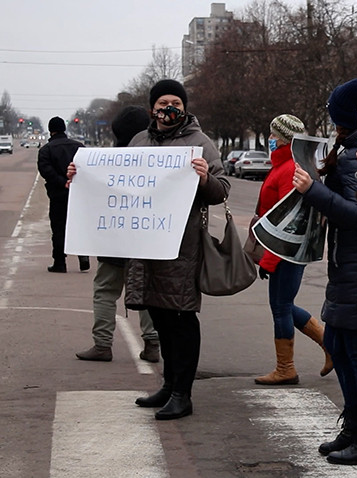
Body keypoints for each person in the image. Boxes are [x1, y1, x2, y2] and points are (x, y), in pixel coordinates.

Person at [292, 78, 357, 466]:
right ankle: (354, 427)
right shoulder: (352, 150)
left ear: (343, 116)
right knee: (337, 344)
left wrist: (313, 190)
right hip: (350, 267)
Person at [125, 79, 230, 420]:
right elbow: (117, 183)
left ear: (184, 108)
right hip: (147, 246)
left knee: (181, 318)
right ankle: (169, 386)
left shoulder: (200, 143)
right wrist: (80, 175)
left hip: (181, 247)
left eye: (176, 103)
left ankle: (182, 394)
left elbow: (221, 190)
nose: (169, 109)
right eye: (163, 103)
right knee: (160, 316)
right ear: (152, 108)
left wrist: (205, 178)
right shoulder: (139, 142)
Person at [72, 105, 159, 363]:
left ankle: (102, 344)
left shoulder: (105, 162)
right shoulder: (159, 160)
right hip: (146, 238)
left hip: (113, 239)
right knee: (145, 290)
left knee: (105, 290)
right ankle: (152, 343)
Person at [254, 113, 333, 385]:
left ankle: (285, 368)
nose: (270, 139)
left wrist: (269, 260)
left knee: (281, 308)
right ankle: (329, 344)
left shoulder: (290, 168)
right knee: (283, 306)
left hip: (285, 252)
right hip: (283, 251)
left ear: (284, 139)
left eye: (273, 135)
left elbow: (287, 222)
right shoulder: (284, 164)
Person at [37, 116, 89, 273]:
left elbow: (46, 171)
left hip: (58, 194)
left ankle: (60, 262)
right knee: (79, 225)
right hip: (78, 193)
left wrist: (62, 182)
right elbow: (87, 168)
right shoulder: (79, 147)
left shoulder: (46, 150)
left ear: (51, 131)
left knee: (59, 227)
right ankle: (83, 257)